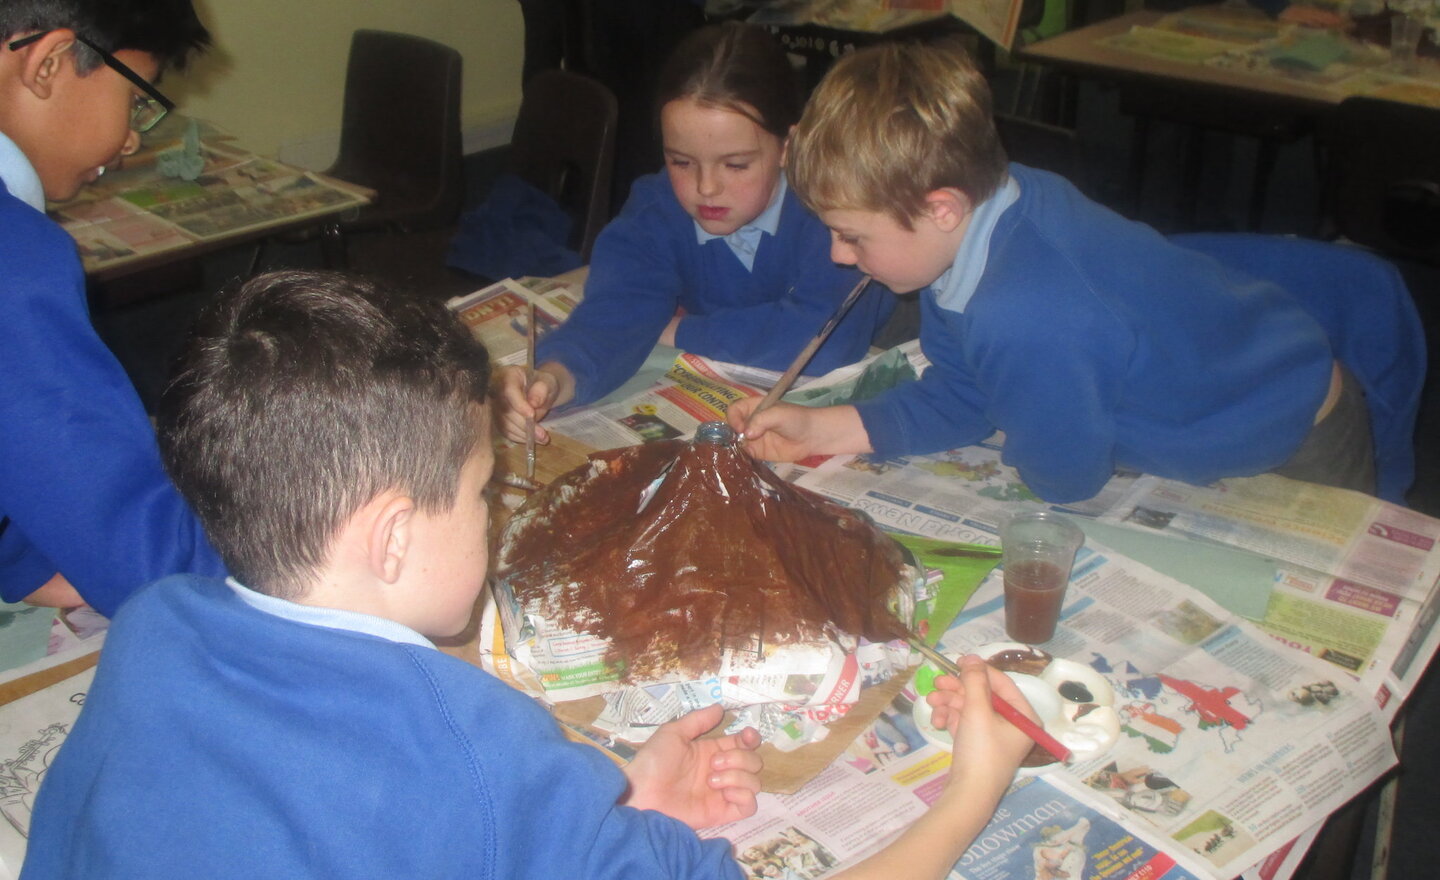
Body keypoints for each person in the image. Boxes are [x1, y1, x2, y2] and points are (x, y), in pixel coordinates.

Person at [23, 269, 1036, 879]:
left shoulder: (156, 624)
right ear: (389, 539)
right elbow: (463, 798)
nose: (495, 508)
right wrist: (968, 794)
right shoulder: (475, 742)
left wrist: (613, 806)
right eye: (478, 491)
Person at [729, 41, 1373, 504]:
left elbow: (1065, 478)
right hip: (1226, 386)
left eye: (852, 235)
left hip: (1287, 428)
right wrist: (820, 428)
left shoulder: (1022, 311)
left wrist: (1028, 421)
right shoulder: (984, 218)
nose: (841, 255)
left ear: (942, 208)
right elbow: (964, 393)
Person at [495, 22, 894, 445]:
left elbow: (828, 338)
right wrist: (554, 379)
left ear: (787, 147)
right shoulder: (658, 208)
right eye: (681, 162)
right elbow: (617, 309)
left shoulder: (833, 211)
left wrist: (677, 331)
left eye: (736, 164)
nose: (706, 188)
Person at [0, 0, 223, 615]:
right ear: (47, 64)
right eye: (137, 101)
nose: (130, 137)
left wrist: (21, 559)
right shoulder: (14, 259)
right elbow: (153, 566)